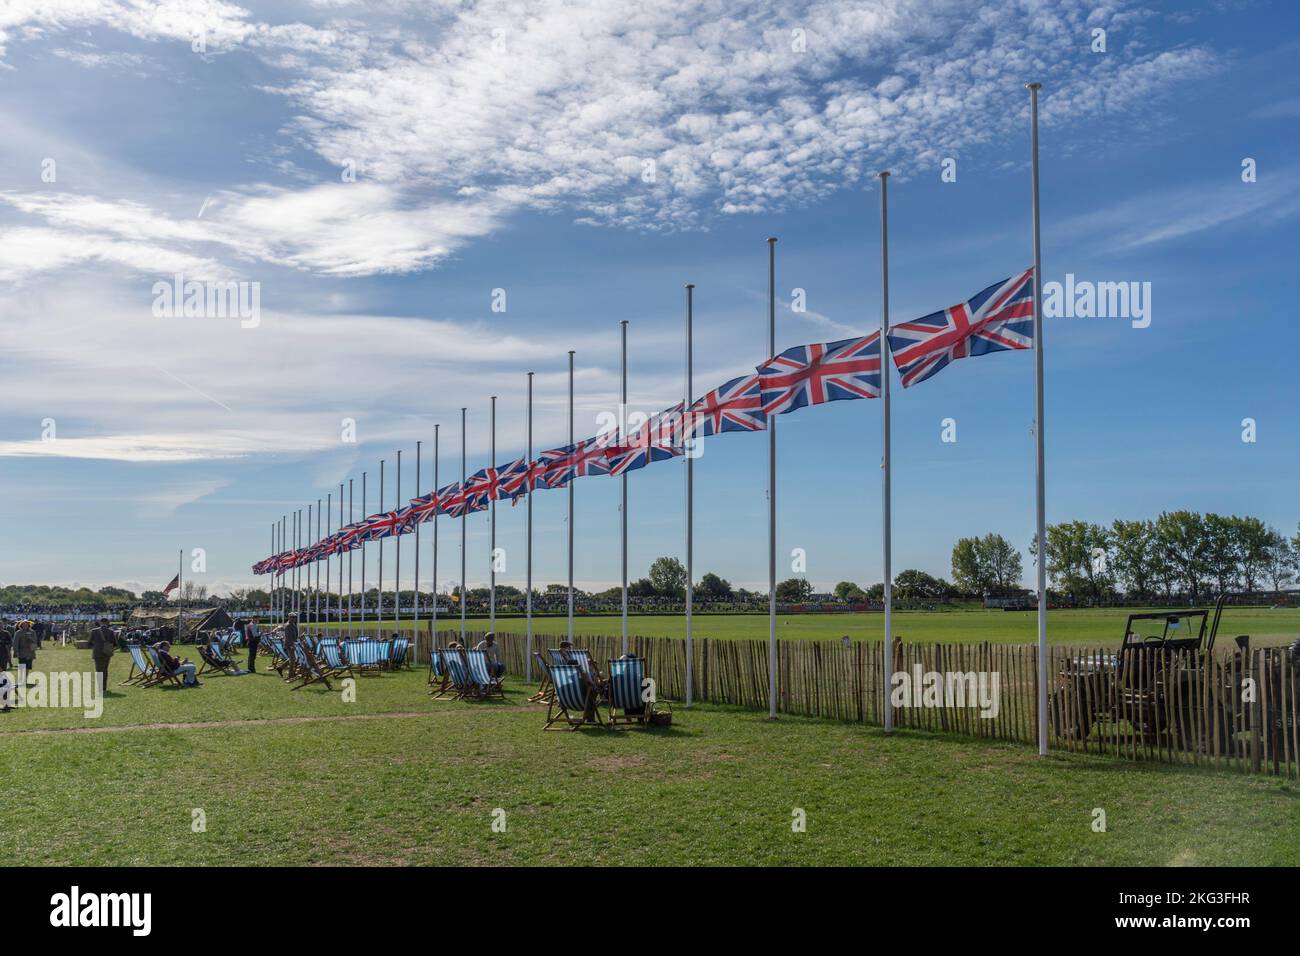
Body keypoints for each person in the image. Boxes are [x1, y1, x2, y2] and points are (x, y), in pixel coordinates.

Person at [89, 617, 116, 694]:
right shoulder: (110, 631)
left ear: (100, 622)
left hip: (97, 653)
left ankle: (100, 689)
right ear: (108, 623)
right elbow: (114, 643)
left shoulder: (94, 631)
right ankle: (104, 689)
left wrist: (96, 646)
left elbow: (89, 643)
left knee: (98, 671)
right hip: (106, 653)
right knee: (105, 670)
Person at [284, 613, 300, 677]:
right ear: (289, 617)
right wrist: (291, 644)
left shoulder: (293, 624)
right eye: (292, 617)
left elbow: (295, 635)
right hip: (289, 644)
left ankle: (280, 668)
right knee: (292, 659)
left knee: (292, 658)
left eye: (295, 617)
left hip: (293, 643)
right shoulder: (288, 625)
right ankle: (291, 674)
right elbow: (288, 637)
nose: (294, 618)